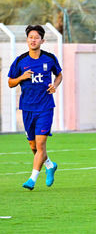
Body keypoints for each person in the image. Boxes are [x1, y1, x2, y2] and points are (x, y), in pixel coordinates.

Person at [8, 25, 63, 191]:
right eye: (30, 37)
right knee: (33, 146)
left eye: (36, 37)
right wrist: (21, 77)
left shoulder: (49, 58)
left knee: (40, 143)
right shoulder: (20, 61)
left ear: (42, 40)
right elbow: (10, 82)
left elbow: (59, 74)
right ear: (27, 40)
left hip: (45, 107)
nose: (33, 40)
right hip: (27, 108)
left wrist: (54, 85)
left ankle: (32, 178)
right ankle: (50, 165)